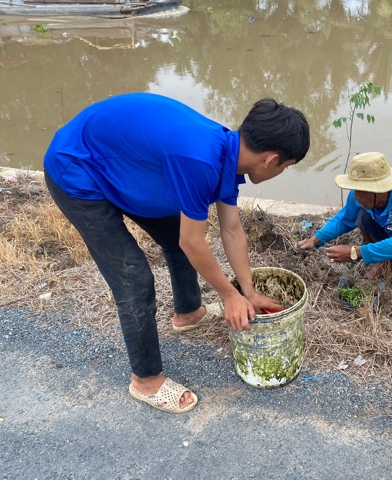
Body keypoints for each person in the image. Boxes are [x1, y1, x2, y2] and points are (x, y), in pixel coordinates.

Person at [43, 92, 310, 414]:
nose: (283, 171)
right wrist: (229, 296)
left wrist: (247, 292)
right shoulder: (200, 160)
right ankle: (145, 381)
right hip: (77, 167)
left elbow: (232, 229)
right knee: (134, 280)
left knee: (179, 240)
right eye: (288, 166)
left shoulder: (228, 150)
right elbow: (192, 242)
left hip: (124, 165)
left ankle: (188, 314)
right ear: (271, 159)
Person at [297, 152, 392, 293]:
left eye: (361, 190)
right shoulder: (359, 197)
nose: (356, 196)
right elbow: (344, 219)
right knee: (363, 216)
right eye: (355, 189)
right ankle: (383, 260)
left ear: (380, 190)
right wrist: (316, 240)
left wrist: (356, 252)